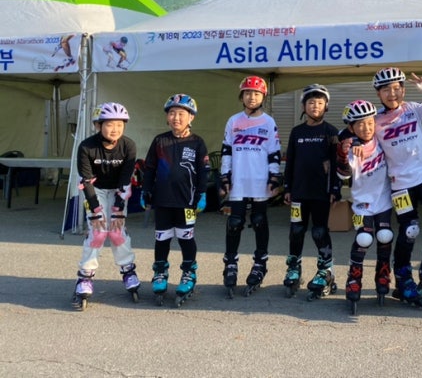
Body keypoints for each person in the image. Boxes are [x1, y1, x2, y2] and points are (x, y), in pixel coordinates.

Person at [373, 67, 422, 309]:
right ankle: (403, 278)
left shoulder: (413, 109)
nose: (392, 94)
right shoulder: (374, 120)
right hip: (400, 183)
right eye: (386, 89)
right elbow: (354, 133)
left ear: (403, 90)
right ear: (378, 94)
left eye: (397, 88)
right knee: (410, 230)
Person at [140, 94, 209, 307]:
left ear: (191, 117)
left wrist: (202, 194)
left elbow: (203, 171)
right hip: (162, 200)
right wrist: (145, 191)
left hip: (186, 201)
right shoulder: (159, 141)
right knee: (162, 239)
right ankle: (160, 272)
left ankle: (189, 273)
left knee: (186, 238)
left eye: (181, 113)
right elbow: (149, 168)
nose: (176, 118)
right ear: (167, 117)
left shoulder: (197, 142)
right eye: (172, 113)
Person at [220, 75, 282, 298]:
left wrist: (274, 177)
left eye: (256, 93)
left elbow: (274, 152)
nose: (251, 97)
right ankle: (230, 263)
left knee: (259, 221)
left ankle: (260, 262)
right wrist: (224, 176)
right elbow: (226, 150)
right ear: (241, 96)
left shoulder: (268, 122)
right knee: (234, 223)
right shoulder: (233, 121)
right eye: (247, 93)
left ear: (263, 97)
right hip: (238, 181)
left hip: (259, 181)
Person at [72, 102, 138, 310]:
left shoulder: (128, 146)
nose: (115, 129)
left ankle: (128, 270)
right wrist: (96, 211)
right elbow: (86, 181)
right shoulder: (87, 147)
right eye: (109, 124)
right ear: (98, 125)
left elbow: (126, 180)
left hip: (118, 189)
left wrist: (118, 209)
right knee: (98, 232)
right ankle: (85, 276)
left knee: (117, 232)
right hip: (96, 190)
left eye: (119, 124)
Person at [282, 83, 341, 300]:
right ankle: (294, 268)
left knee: (319, 232)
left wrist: (335, 188)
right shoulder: (297, 132)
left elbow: (337, 163)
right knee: (296, 230)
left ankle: (326, 270)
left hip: (321, 193)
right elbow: (290, 161)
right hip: (298, 192)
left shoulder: (331, 132)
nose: (315, 106)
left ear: (326, 106)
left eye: (319, 103)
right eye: (311, 102)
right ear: (303, 106)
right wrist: (287, 187)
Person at [337, 99, 394, 312]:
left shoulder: (381, 138)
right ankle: (354, 278)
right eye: (360, 124)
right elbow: (343, 174)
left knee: (385, 237)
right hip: (362, 204)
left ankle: (383, 274)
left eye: (370, 123)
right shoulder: (349, 147)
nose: (367, 128)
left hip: (384, 201)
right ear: (352, 128)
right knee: (363, 239)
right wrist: (344, 153)